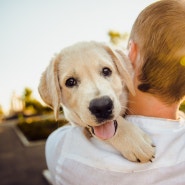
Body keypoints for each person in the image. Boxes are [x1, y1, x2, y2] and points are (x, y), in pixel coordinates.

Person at [45, 0, 185, 184]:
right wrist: (120, 130)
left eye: (105, 71)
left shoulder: (62, 149)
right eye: (71, 81)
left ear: (131, 55)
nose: (99, 97)